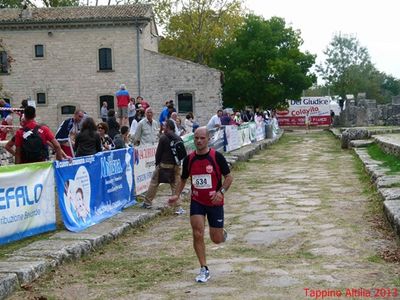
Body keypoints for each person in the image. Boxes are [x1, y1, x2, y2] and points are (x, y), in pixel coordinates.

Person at [168, 126, 233, 283]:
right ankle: (204, 268)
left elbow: (229, 177)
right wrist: (176, 194)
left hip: (215, 202)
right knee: (197, 232)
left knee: (216, 239)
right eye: (196, 138)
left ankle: (221, 233)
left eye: (202, 138)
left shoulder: (216, 157)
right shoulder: (189, 159)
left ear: (208, 139)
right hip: (197, 201)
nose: (199, 141)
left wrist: (221, 192)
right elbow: (183, 179)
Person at [142, 120, 183, 211]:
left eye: (164, 126)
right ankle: (178, 207)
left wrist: (157, 165)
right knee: (175, 186)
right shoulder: (178, 138)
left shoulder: (163, 138)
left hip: (164, 165)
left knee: (154, 183)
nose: (163, 128)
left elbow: (158, 153)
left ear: (168, 127)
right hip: (176, 166)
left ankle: (147, 202)